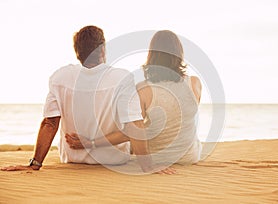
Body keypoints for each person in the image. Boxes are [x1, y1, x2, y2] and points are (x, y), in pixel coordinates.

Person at [1, 26, 174, 174]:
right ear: (103, 49)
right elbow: (134, 123)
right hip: (113, 162)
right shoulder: (122, 77)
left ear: (77, 52)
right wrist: (147, 165)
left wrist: (35, 164)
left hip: (72, 161)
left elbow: (50, 123)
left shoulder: (60, 77)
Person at [66, 30, 202, 165]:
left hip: (158, 158)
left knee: (133, 132)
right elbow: (184, 120)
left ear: (151, 55)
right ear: (179, 54)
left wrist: (91, 143)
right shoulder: (194, 83)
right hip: (189, 157)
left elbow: (130, 132)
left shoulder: (143, 89)